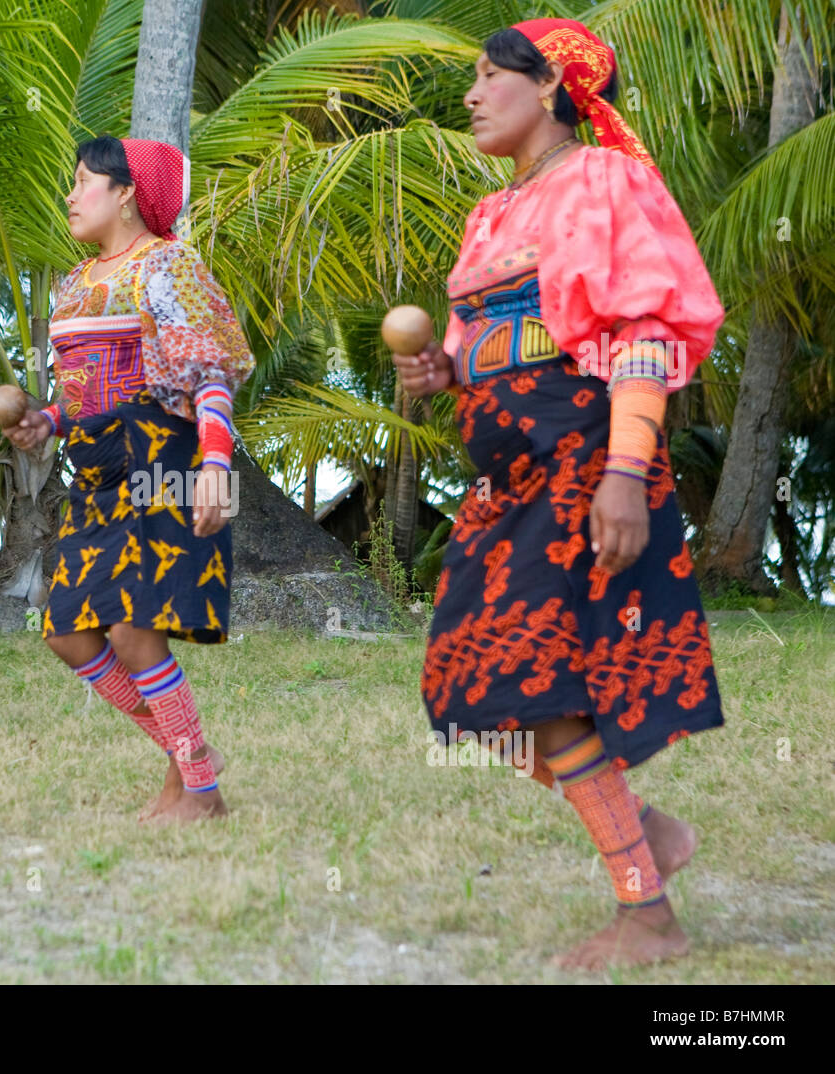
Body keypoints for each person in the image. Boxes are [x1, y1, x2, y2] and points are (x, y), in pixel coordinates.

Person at [394, 19, 725, 969]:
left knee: (535, 686)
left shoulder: (605, 183)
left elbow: (645, 333)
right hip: (508, 475)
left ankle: (647, 914)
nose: (471, 95)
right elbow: (484, 340)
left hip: (586, 457)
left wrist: (626, 471)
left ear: (549, 89)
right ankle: (643, 829)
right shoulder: (491, 216)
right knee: (466, 689)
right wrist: (445, 373)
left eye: (490, 76)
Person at [4, 136, 254, 824]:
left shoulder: (168, 263)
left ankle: (200, 793)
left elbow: (208, 373)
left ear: (126, 193)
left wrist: (214, 464)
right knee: (68, 631)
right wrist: (47, 421)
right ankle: (191, 755)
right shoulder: (77, 281)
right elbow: (84, 392)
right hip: (96, 468)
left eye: (84, 181)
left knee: (135, 634)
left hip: (160, 460)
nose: (70, 195)